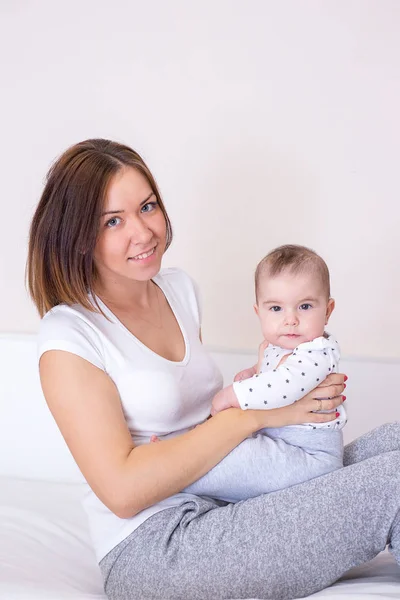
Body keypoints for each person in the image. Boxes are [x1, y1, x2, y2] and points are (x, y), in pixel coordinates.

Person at [26, 138, 400, 600]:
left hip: (228, 494)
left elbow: (200, 415)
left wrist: (268, 390)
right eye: (113, 221)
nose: (142, 232)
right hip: (157, 548)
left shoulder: (179, 290)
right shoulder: (70, 334)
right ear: (79, 236)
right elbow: (122, 489)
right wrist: (262, 413)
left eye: (147, 206)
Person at [178, 244, 347, 502]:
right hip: (279, 443)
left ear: (328, 310)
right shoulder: (276, 347)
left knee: (244, 460)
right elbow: (272, 375)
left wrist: (234, 394)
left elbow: (285, 384)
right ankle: (180, 456)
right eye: (276, 309)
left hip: (310, 457)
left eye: (304, 306)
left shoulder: (317, 351)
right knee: (231, 445)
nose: (290, 319)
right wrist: (253, 372)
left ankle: (179, 477)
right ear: (259, 312)